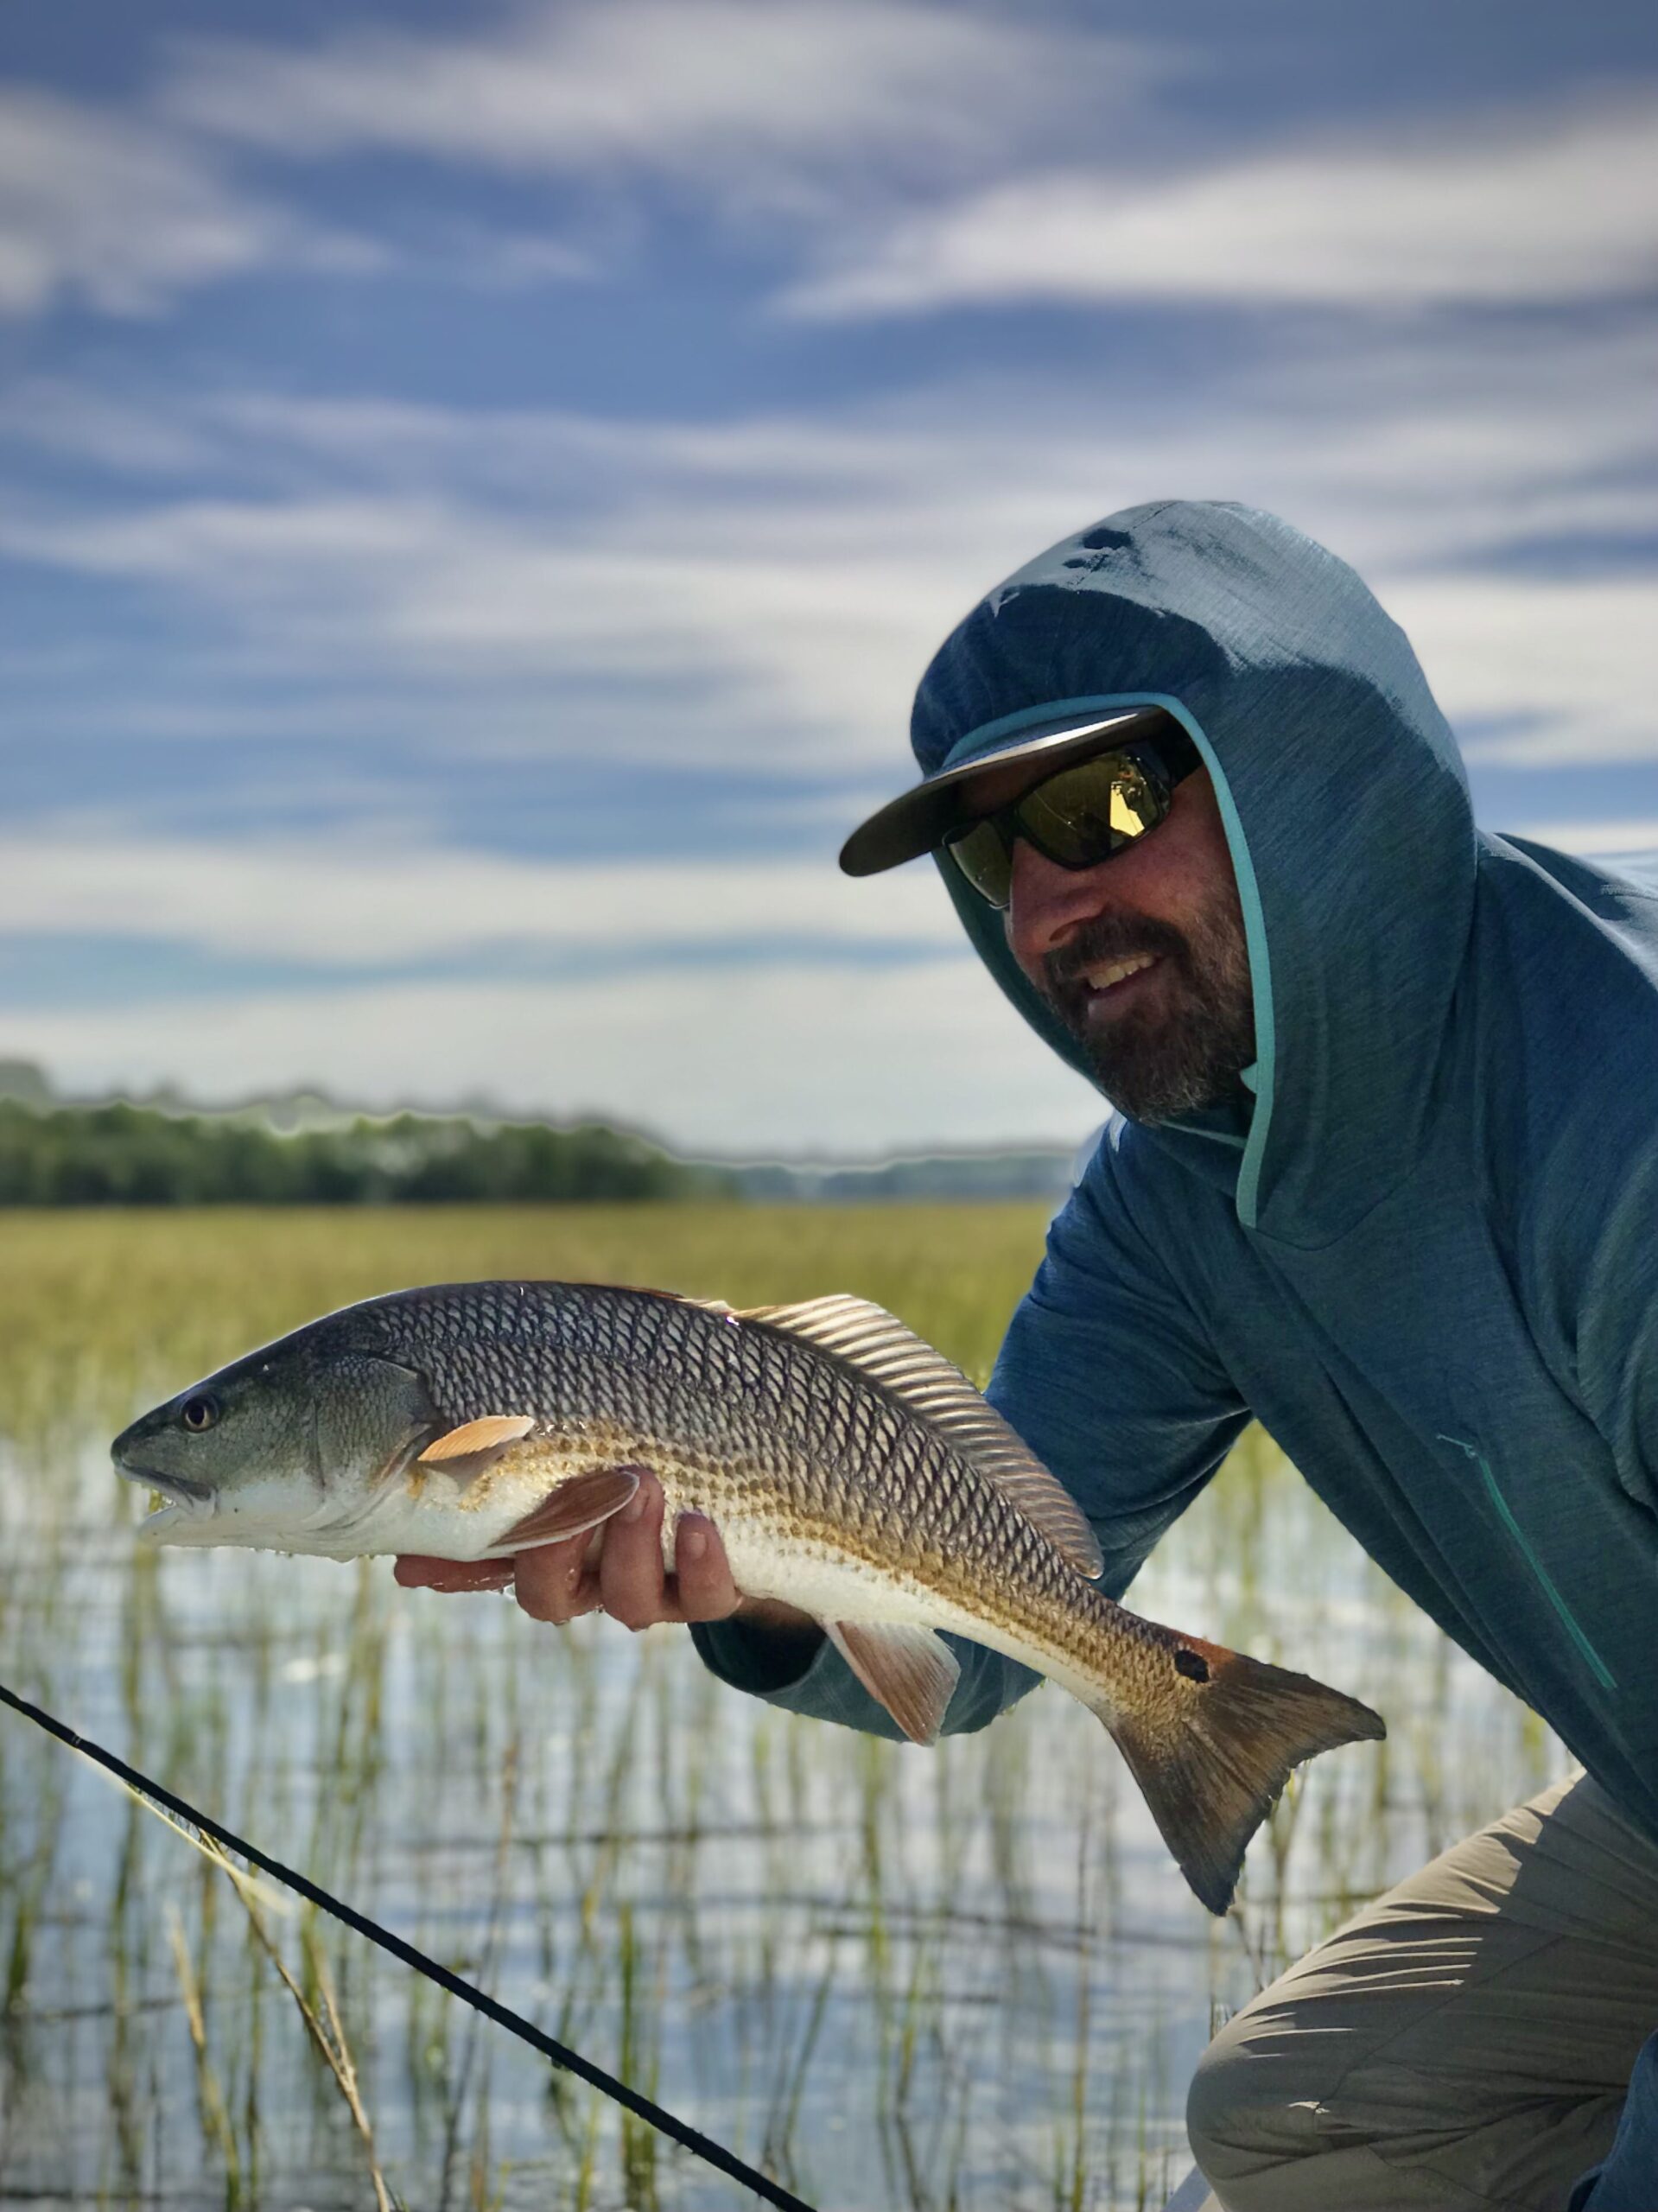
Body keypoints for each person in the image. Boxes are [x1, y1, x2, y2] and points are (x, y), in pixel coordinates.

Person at [397, 501, 1658, 2210]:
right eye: (999, 849)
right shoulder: (1171, 1199)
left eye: (1104, 802)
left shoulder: (1623, 1099)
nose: (1054, 901)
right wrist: (756, 1575)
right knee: (1295, 2116)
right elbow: (989, 1618)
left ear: (1300, 772)